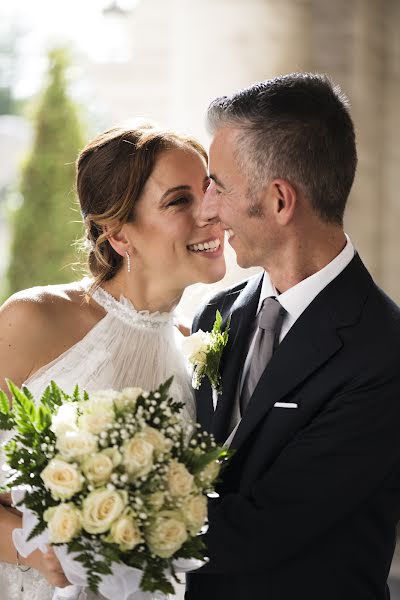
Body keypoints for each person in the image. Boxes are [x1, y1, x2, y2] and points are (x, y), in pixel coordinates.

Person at [186, 73, 400, 600]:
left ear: (281, 201)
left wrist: (94, 519)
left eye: (219, 186)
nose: (206, 209)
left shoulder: (384, 355)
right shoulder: (216, 315)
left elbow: (262, 529)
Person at [0, 123, 226, 600]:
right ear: (119, 236)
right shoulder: (34, 320)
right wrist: (34, 549)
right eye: (179, 200)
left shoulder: (196, 349)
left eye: (209, 191)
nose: (212, 213)